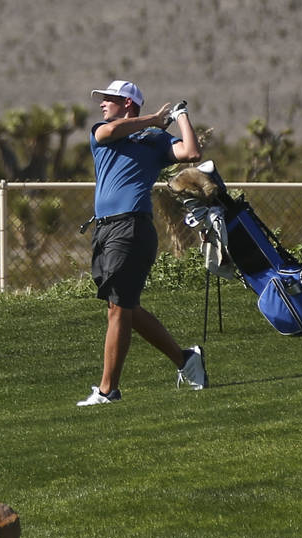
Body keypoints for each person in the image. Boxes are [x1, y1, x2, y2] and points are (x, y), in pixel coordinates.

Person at [77, 80, 209, 407]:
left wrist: (181, 116)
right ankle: (185, 359)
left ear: (127, 103)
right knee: (124, 308)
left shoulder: (155, 140)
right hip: (104, 231)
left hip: (132, 227)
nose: (102, 104)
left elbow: (190, 152)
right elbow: (107, 133)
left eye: (109, 99)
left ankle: (109, 391)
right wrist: (152, 119)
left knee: (119, 309)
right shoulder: (104, 130)